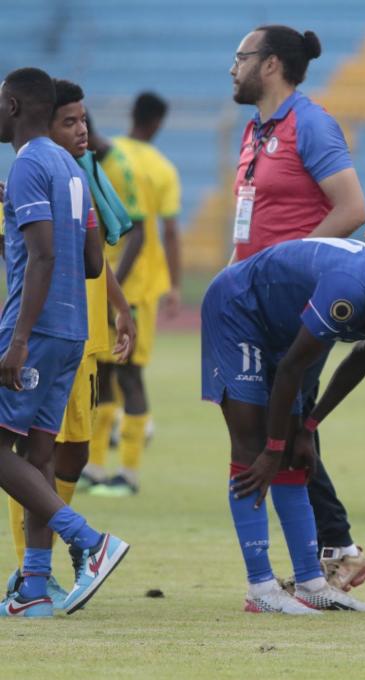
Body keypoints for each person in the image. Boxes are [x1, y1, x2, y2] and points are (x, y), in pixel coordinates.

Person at [201, 237, 365, 613]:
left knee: (296, 459)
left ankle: (311, 582)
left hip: (288, 328)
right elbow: (290, 369)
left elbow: (363, 354)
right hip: (240, 310)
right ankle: (260, 589)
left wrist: (309, 426)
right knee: (254, 448)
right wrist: (273, 447)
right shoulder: (347, 295)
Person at [228, 24, 365, 595]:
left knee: (281, 429)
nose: (231, 68)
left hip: (292, 309)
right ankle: (331, 552)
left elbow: (352, 207)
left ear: (269, 65)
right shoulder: (256, 127)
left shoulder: (309, 123)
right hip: (252, 305)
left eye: (240, 58)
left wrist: (291, 271)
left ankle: (336, 551)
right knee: (282, 429)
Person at [0, 67, 129, 618]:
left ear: (11, 106)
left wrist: (19, 339)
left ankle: (89, 541)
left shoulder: (31, 161)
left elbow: (46, 253)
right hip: (76, 328)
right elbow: (94, 260)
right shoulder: (70, 167)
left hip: (38, 327)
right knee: (39, 452)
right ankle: (33, 587)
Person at [87, 91, 182, 497]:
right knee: (117, 372)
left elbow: (135, 229)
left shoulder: (112, 155)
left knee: (113, 374)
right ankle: (101, 468)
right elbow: (170, 231)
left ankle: (118, 471)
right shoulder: (162, 168)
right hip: (132, 284)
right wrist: (175, 284)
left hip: (121, 282)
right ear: (158, 122)